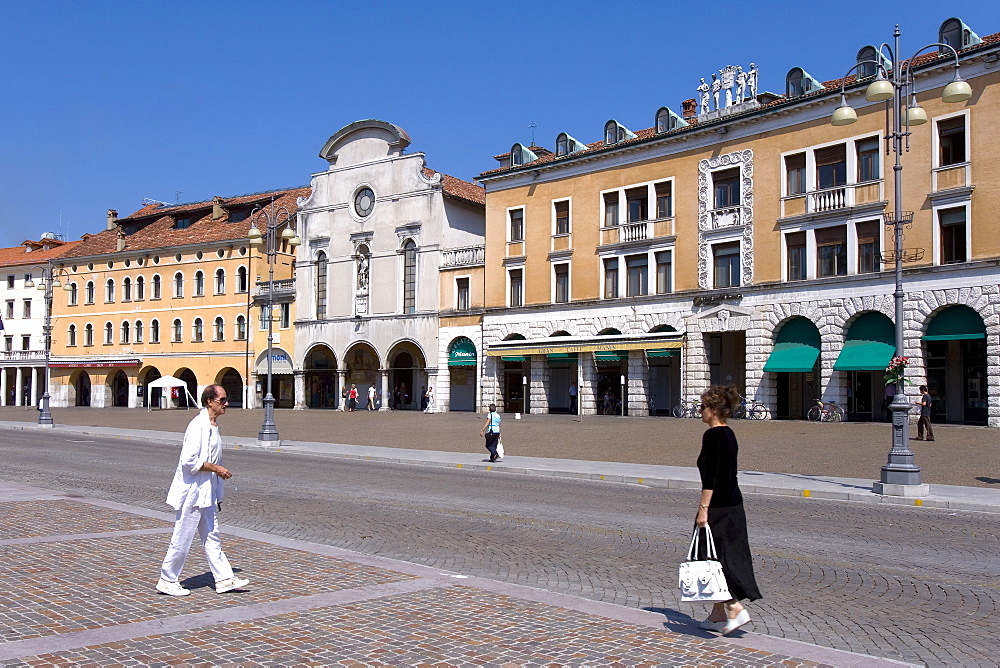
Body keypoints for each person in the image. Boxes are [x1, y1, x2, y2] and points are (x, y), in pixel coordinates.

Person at [156, 385, 249, 597]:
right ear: (210, 401)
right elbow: (188, 461)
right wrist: (217, 469)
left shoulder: (212, 426)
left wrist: (217, 493)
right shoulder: (197, 425)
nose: (226, 404)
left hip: (206, 493)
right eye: (222, 400)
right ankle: (167, 579)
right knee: (182, 536)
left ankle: (224, 579)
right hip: (193, 493)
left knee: (212, 536)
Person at [694, 384, 761, 635]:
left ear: (713, 410)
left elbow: (710, 478)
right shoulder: (729, 433)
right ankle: (716, 615)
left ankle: (734, 607)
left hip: (718, 506)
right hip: (734, 503)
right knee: (725, 557)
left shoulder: (712, 436)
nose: (700, 411)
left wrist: (703, 509)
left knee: (709, 559)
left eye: (702, 407)